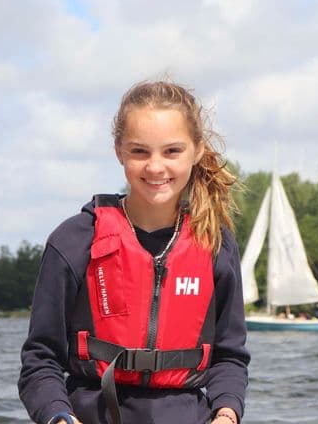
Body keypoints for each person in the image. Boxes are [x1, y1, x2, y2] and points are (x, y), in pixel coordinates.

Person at [18, 81, 250, 424]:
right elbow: (40, 361)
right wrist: (59, 416)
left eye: (172, 151)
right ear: (119, 151)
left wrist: (227, 414)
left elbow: (229, 358)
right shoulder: (73, 241)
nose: (155, 167)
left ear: (197, 150)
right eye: (140, 151)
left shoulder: (216, 242)